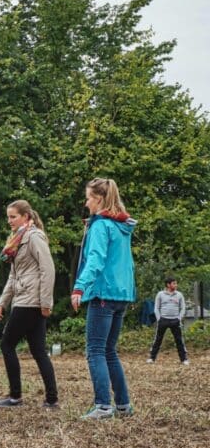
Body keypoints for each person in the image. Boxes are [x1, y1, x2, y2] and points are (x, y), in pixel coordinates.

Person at [72, 178, 136, 420]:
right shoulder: (121, 226)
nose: (86, 202)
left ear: (98, 199)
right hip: (121, 294)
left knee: (95, 351)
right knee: (110, 351)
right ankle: (123, 405)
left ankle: (103, 405)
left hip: (102, 293)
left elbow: (96, 260)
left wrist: (79, 287)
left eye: (88, 197)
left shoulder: (101, 226)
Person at [0, 200, 59, 409]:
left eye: (13, 217)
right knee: (38, 350)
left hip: (31, 301)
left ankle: (15, 396)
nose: (9, 221)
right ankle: (51, 399)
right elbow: (14, 276)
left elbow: (48, 270)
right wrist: (3, 301)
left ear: (26, 217)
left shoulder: (34, 237)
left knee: (7, 344)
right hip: (23, 299)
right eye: (8, 217)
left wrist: (46, 302)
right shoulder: (16, 241)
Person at [147, 277, 189, 365]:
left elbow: (183, 308)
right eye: (174, 283)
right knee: (158, 339)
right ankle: (152, 358)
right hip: (163, 320)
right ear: (168, 285)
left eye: (176, 283)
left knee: (179, 340)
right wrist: (159, 319)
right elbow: (156, 308)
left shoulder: (179, 295)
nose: (176, 285)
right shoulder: (160, 294)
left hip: (175, 320)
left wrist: (179, 318)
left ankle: (184, 359)